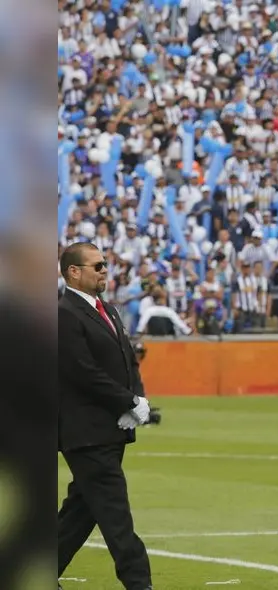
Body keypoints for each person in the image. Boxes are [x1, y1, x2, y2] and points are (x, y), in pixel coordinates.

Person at [57, 242, 153, 590]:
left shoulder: (108, 310)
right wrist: (126, 402)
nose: (104, 271)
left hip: (109, 428)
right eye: (96, 266)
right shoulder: (63, 313)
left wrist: (136, 400)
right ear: (73, 272)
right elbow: (82, 371)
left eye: (105, 265)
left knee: (80, 512)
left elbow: (127, 358)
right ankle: (139, 583)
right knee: (116, 516)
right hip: (86, 432)